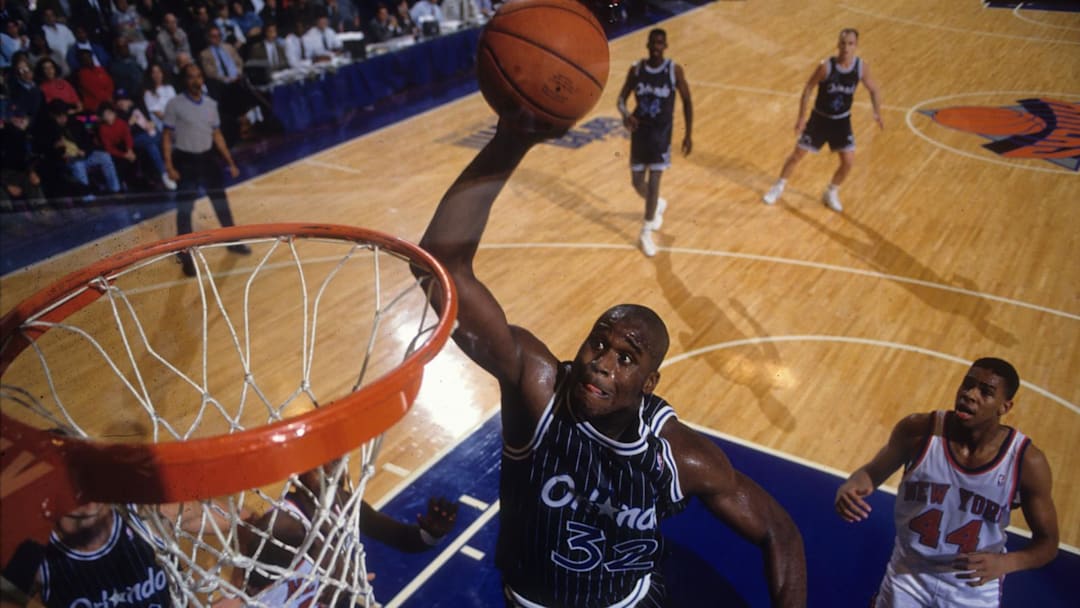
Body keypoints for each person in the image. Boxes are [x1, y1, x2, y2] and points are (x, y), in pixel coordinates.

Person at [416, 118, 806, 606]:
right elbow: (439, 266)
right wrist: (512, 139)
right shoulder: (536, 389)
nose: (601, 363)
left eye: (626, 358)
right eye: (597, 344)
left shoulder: (679, 459)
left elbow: (780, 532)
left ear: (649, 383)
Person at [835, 358, 1060, 607]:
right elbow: (871, 472)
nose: (969, 395)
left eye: (985, 392)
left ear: (1004, 407)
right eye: (967, 385)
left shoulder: (1026, 462)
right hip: (909, 571)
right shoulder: (918, 431)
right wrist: (851, 486)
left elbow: (1048, 543)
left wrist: (1007, 563)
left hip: (971, 584)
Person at [762, 28, 883, 213]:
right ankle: (778, 186)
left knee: (848, 161)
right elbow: (808, 89)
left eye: (850, 44)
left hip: (842, 122)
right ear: (837, 44)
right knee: (797, 155)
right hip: (819, 119)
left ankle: (831, 191)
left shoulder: (860, 68)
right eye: (843, 43)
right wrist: (801, 117)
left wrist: (876, 112)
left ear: (856, 46)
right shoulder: (826, 66)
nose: (846, 48)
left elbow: (873, 89)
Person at [162, 63, 249, 277]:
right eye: (191, 77)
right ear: (185, 80)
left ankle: (232, 241)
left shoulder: (210, 104)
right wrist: (169, 166)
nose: (196, 80)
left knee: (221, 204)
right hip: (186, 160)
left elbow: (217, 135)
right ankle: (185, 253)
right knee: (185, 211)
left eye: (199, 76)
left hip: (208, 158)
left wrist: (230, 161)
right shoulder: (174, 105)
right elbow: (166, 137)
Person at [616, 28, 692, 258]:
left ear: (666, 45)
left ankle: (646, 230)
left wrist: (688, 134)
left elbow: (688, 101)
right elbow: (621, 99)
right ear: (648, 45)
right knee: (637, 183)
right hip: (640, 135)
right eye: (654, 42)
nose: (657, 46)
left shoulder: (673, 70)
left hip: (661, 136)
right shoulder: (636, 69)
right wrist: (625, 115)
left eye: (661, 42)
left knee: (655, 180)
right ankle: (656, 203)